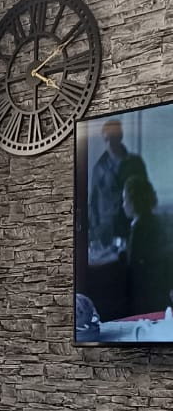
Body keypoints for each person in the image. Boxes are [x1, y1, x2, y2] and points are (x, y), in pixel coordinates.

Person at [88, 120, 149, 250]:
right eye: (107, 139)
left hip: (130, 225)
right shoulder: (99, 168)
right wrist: (95, 230)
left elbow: (146, 194)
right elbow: (93, 202)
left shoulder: (135, 163)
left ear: (120, 137)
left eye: (113, 138)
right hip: (106, 229)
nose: (110, 144)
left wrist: (145, 222)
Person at [122, 176, 171, 317]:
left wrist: (121, 253)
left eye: (124, 200)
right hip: (160, 289)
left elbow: (132, 262)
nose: (123, 205)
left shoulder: (138, 227)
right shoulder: (155, 220)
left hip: (144, 294)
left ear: (133, 202)